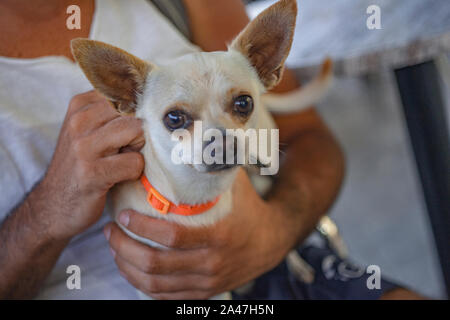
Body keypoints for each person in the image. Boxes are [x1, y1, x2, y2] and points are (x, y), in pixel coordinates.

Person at [0, 0, 421, 299]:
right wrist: (44, 213)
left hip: (274, 263)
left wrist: (273, 232)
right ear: (122, 91)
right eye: (178, 119)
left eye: (239, 105)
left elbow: (310, 142)